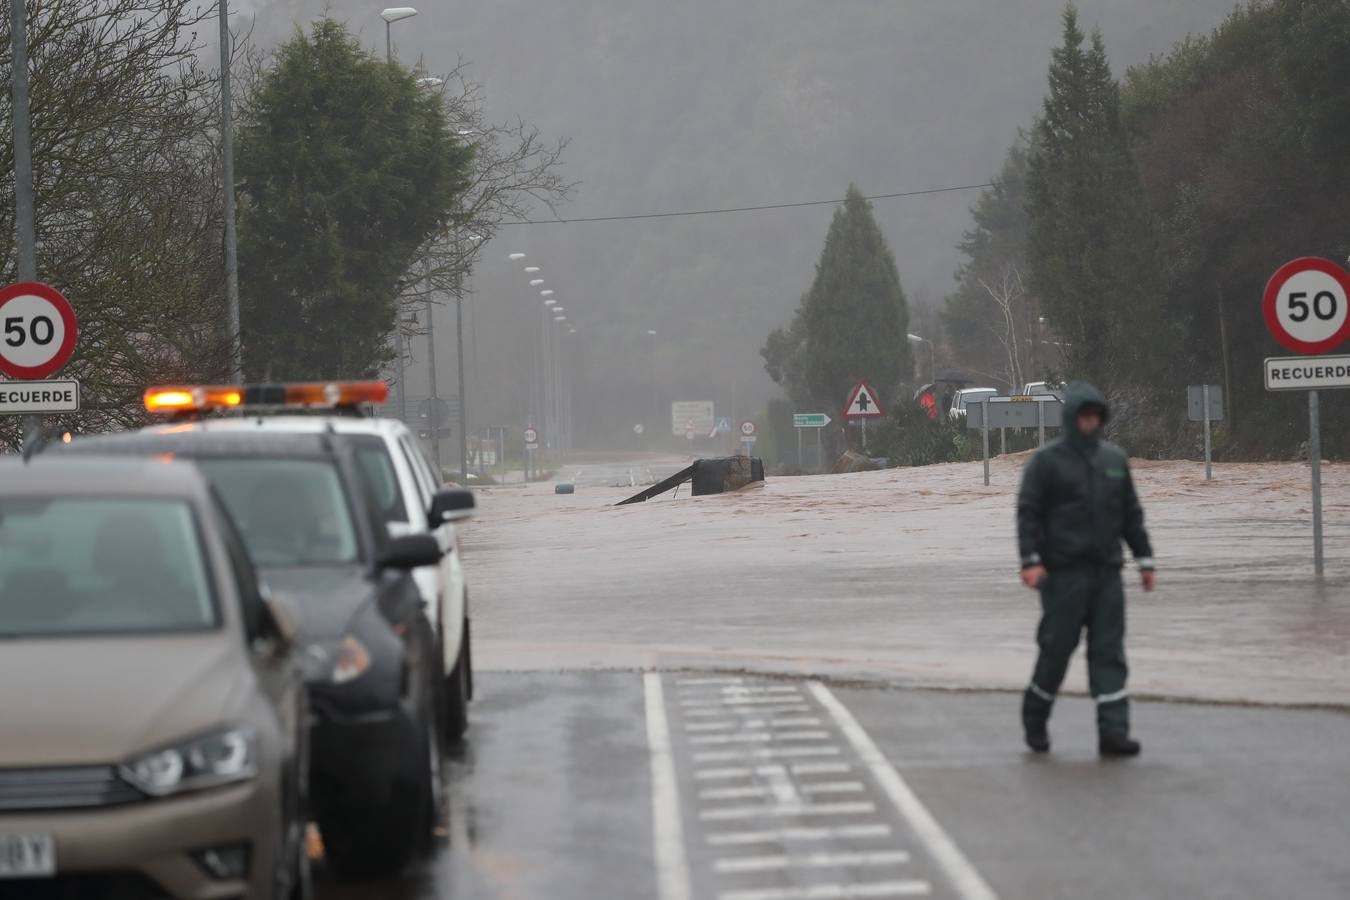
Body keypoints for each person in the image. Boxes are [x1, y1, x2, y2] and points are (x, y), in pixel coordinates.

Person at [1016, 381, 1155, 757]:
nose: (1090, 423)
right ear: (1071, 418)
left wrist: (1145, 560)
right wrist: (1030, 562)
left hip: (1107, 574)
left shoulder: (1114, 460)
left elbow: (1131, 514)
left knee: (1109, 651)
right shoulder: (1046, 463)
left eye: (1096, 416)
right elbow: (1028, 514)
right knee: (1056, 648)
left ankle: (1114, 731)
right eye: (1084, 416)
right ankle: (1035, 717)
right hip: (1062, 576)